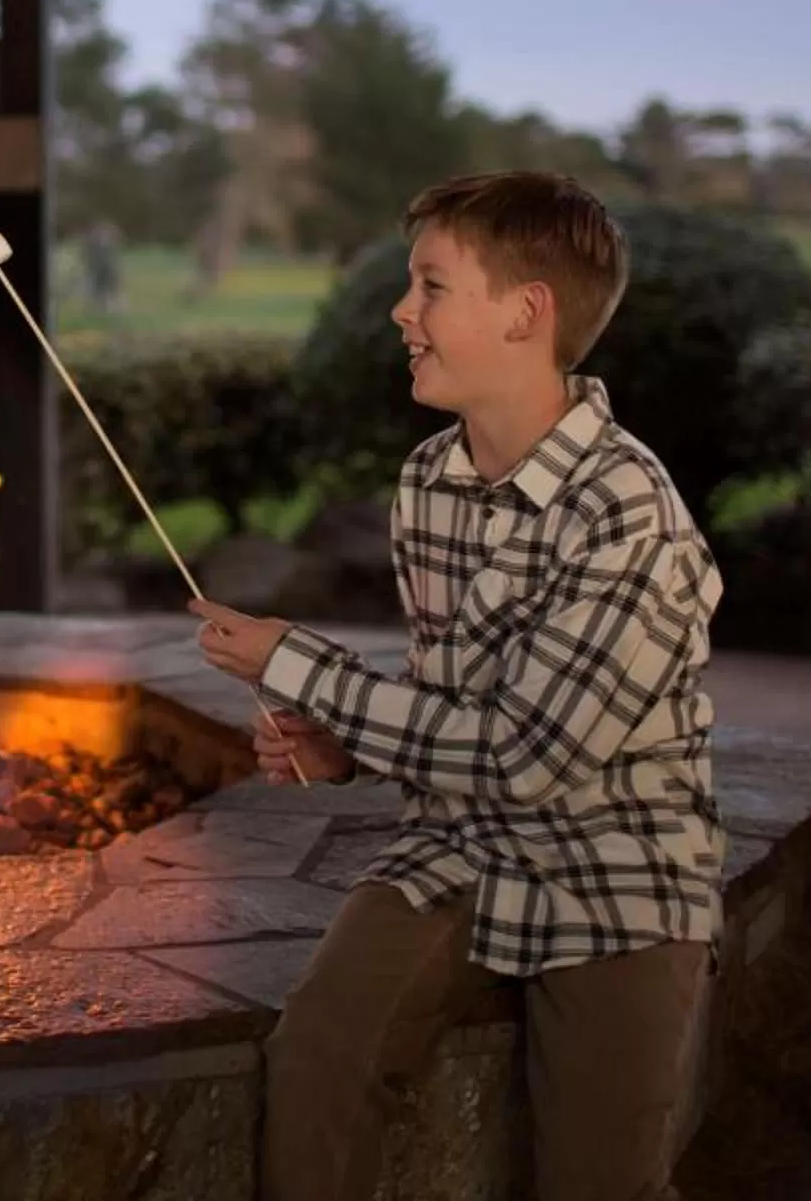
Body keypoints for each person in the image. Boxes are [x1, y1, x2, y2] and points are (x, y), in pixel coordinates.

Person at [188, 172, 722, 1201]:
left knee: (600, 1181)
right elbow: (455, 692)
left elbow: (526, 755)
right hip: (458, 842)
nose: (402, 310)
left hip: (618, 862)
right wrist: (347, 746)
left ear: (527, 314)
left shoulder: (629, 516)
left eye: (431, 286)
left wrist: (300, 667)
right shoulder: (428, 481)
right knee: (318, 1058)